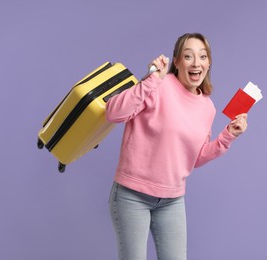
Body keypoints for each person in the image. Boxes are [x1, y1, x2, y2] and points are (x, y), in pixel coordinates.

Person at [105, 32, 248, 260]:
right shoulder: (159, 85)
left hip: (172, 200)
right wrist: (152, 79)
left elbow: (195, 157)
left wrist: (227, 136)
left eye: (202, 56)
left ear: (209, 63)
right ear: (177, 61)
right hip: (132, 196)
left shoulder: (207, 107)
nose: (196, 63)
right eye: (188, 56)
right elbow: (113, 113)